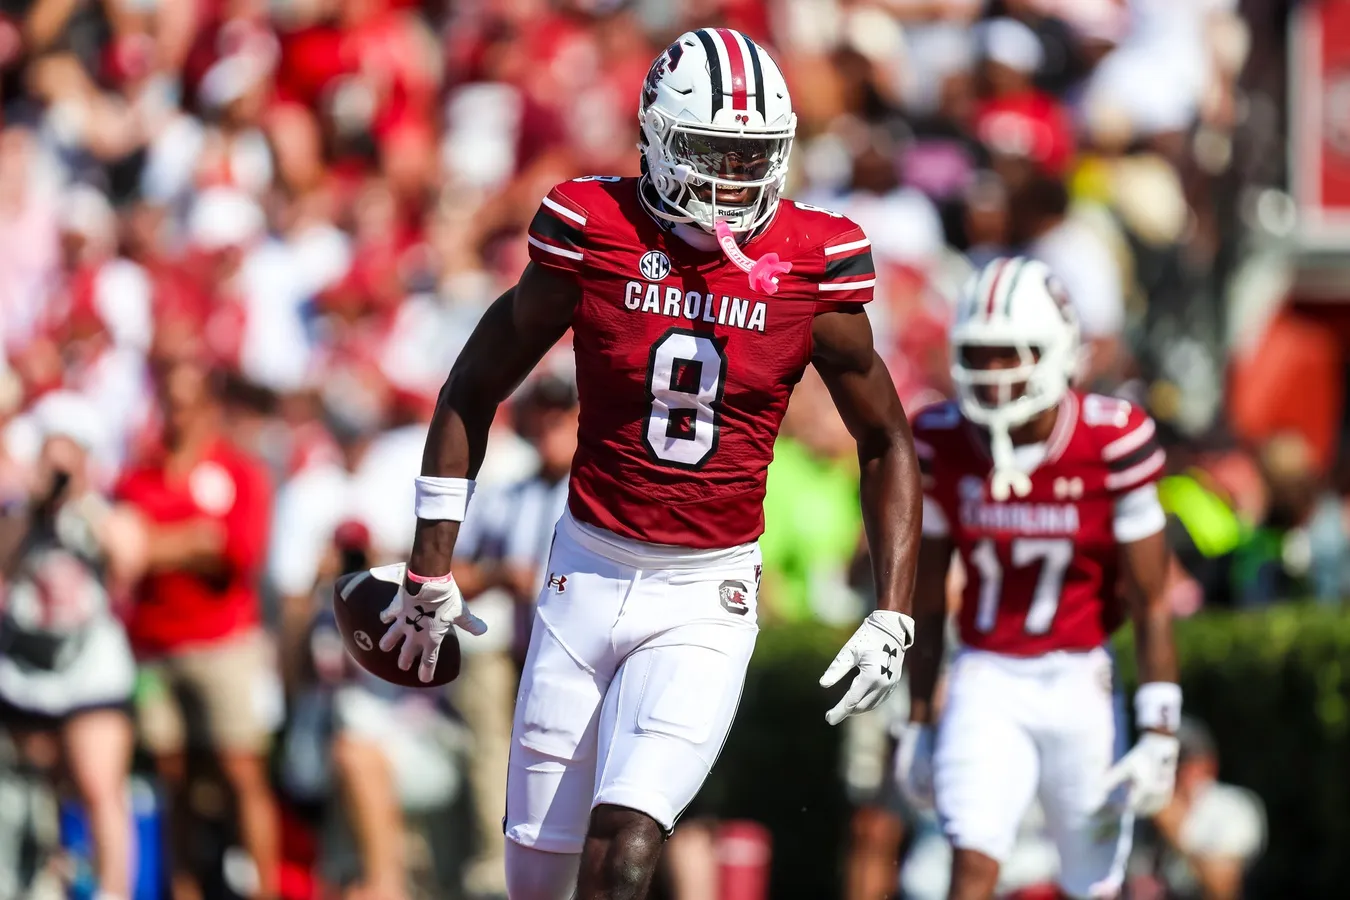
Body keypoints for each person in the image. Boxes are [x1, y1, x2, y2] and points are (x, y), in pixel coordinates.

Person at [373, 28, 926, 900]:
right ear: (658, 139)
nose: (731, 181)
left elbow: (888, 436)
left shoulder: (811, 263)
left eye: (752, 159)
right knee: (537, 880)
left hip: (706, 595)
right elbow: (473, 384)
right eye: (709, 153)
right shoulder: (593, 230)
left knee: (625, 847)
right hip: (581, 577)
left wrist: (894, 610)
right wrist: (429, 563)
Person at [896, 256, 1182, 900]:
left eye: (1010, 353)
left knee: (1093, 882)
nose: (994, 373)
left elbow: (1151, 596)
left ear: (1055, 352)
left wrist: (1161, 725)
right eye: (980, 354)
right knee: (970, 860)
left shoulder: (1114, 438)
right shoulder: (941, 437)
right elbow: (928, 597)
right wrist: (917, 720)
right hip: (986, 675)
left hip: (1081, 676)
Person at [114, 324, 281, 900]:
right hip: (156, 646)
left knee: (241, 772)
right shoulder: (139, 474)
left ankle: (266, 888)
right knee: (173, 778)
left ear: (209, 406)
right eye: (171, 404)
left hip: (222, 641)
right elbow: (125, 552)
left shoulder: (238, 473)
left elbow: (237, 554)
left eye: (188, 404)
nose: (178, 416)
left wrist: (159, 545)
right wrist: (192, 540)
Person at [0, 392, 140, 900]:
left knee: (99, 784)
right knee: (36, 790)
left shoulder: (106, 512)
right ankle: (48, 880)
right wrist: (35, 505)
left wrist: (80, 498)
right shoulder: (17, 516)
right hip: (27, 672)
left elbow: (129, 561)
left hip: (91, 670)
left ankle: (113, 890)